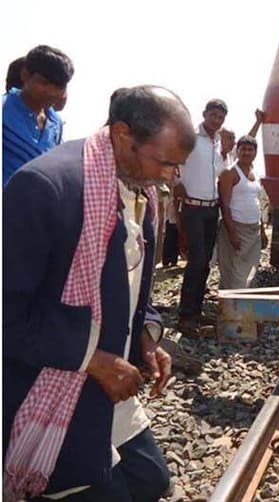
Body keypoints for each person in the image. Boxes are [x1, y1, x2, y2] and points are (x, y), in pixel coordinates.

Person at [3, 85, 195, 501]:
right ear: (123, 135)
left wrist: (146, 336)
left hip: (109, 390)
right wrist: (93, 360)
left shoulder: (140, 189)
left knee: (152, 482)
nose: (170, 177)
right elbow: (8, 314)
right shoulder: (45, 187)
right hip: (55, 388)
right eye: (166, 163)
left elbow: (131, 287)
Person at [174, 99, 234, 337]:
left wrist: (226, 152)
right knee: (196, 260)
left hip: (211, 208)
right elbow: (174, 162)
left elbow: (222, 171)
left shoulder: (218, 142)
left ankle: (196, 310)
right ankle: (185, 315)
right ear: (204, 114)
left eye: (221, 117)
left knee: (206, 261)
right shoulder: (190, 137)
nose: (217, 121)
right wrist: (176, 183)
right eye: (213, 115)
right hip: (193, 207)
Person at [3, 45, 74, 185]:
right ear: (25, 75)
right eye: (45, 83)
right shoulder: (4, 109)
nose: (52, 92)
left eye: (59, 86)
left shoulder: (55, 122)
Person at [217, 136, 266, 289]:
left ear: (255, 153)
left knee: (250, 271)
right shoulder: (230, 172)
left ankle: (243, 301)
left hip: (253, 230)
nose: (246, 152)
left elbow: (257, 202)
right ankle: (231, 302)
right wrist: (232, 233)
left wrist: (262, 230)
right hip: (236, 228)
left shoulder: (255, 173)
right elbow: (225, 204)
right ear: (237, 151)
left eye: (250, 149)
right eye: (243, 149)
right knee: (234, 271)